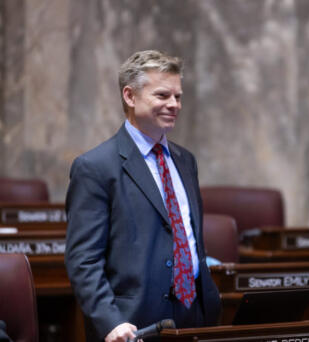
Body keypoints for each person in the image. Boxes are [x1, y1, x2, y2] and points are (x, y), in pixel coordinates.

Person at [65, 50, 221, 342]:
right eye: (162, 95)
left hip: (196, 318)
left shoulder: (186, 161)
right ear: (130, 96)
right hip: (133, 326)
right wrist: (110, 322)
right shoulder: (95, 167)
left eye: (178, 96)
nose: (174, 104)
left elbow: (188, 237)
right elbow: (83, 260)